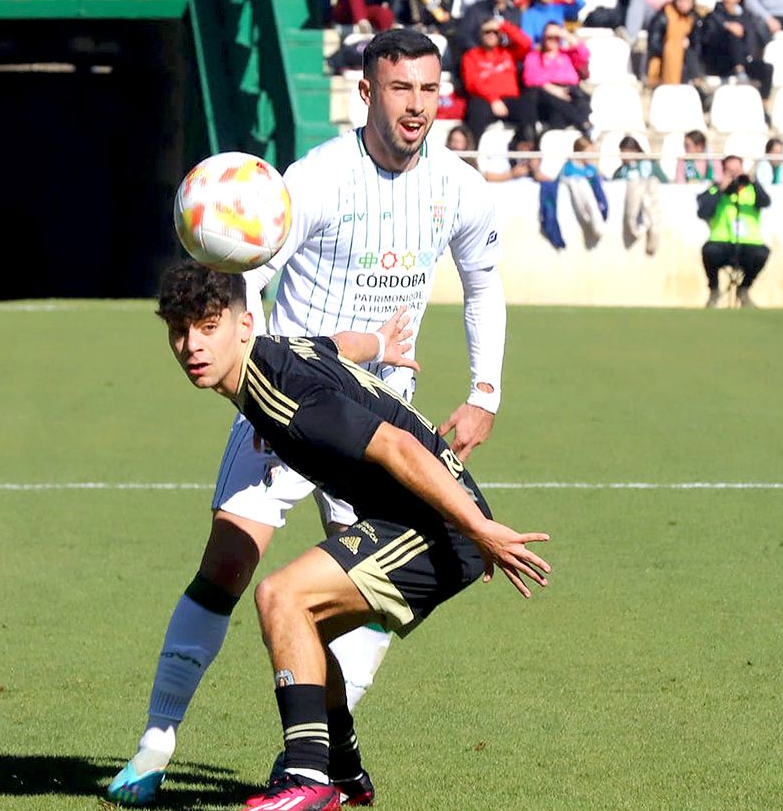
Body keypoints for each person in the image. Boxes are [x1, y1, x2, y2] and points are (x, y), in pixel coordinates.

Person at [109, 28, 509, 807]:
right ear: (368, 93)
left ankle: (316, 761)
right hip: (291, 395)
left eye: (429, 90)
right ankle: (155, 747)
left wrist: (484, 392)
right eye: (402, 89)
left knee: (351, 586)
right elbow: (250, 275)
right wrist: (254, 383)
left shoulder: (460, 186)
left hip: (375, 413)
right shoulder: (316, 179)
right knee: (229, 561)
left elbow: (484, 285)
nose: (418, 105)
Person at [155, 262, 549, 811]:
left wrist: (479, 529)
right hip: (414, 516)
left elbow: (399, 447)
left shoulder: (281, 396)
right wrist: (381, 344)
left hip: (438, 526)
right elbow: (334, 345)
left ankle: (307, 779)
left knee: (281, 597)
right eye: (180, 331)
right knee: (300, 623)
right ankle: (341, 768)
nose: (192, 345)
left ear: (245, 325)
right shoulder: (273, 356)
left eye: (208, 327)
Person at [697, 154, 770, 308]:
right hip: (722, 243)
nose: (735, 176)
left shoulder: (752, 190)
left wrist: (753, 181)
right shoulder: (715, 190)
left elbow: (766, 201)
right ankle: (714, 290)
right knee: (709, 251)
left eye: (737, 171)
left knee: (762, 253)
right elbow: (702, 211)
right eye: (730, 172)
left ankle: (744, 289)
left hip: (748, 244)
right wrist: (720, 188)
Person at [460, 16, 535, 140]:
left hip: (510, 101)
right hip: (485, 101)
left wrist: (503, 25)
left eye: (495, 32)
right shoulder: (470, 56)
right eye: (487, 32)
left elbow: (526, 43)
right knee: (475, 108)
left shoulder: (508, 53)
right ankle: (471, 154)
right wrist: (493, 99)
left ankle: (525, 149)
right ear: (480, 34)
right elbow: (472, 83)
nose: (491, 35)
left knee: (528, 106)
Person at [521, 22, 592, 133]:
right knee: (552, 104)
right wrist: (552, 89)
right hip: (546, 92)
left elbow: (584, 53)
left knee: (577, 102)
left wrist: (565, 35)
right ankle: (583, 123)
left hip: (570, 91)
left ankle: (581, 136)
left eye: (556, 37)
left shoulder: (566, 54)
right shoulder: (534, 56)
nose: (553, 40)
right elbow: (529, 78)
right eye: (549, 37)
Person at [699, 0, 774, 97]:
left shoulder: (746, 16)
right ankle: (740, 70)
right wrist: (726, 26)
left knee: (767, 69)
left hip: (745, 59)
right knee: (732, 35)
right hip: (722, 60)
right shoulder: (715, 14)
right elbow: (708, 37)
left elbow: (751, 38)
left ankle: (763, 103)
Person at [646, 0, 705, 86]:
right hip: (664, 60)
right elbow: (653, 44)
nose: (683, 4)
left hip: (687, 59)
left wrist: (688, 44)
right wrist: (675, 46)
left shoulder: (694, 18)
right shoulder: (663, 16)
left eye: (687, 1)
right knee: (673, 47)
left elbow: (697, 44)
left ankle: (697, 83)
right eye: (680, 0)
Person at [454, 0, 523, 58]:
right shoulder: (475, 10)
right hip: (480, 62)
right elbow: (464, 38)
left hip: (509, 64)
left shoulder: (516, 13)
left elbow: (522, 42)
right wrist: (484, 54)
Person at [520, 0, 584, 46]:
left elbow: (581, 3)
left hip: (560, 55)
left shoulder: (558, 8)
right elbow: (529, 43)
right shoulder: (529, 15)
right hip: (540, 57)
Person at [332, 0, 396, 33]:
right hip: (347, 10)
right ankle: (362, 21)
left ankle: (387, 42)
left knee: (385, 13)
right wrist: (361, 18)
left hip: (368, 9)